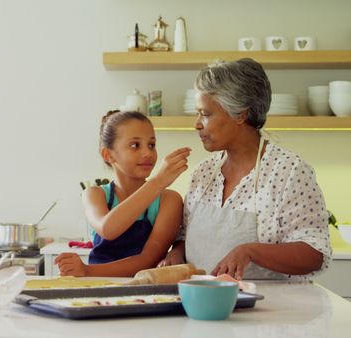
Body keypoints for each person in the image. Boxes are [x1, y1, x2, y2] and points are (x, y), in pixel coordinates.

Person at [159, 58, 331, 280]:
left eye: (206, 114)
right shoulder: (203, 173)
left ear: (240, 114)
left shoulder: (290, 172)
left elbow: (314, 254)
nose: (197, 124)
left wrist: (250, 251)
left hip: (272, 310)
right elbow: (186, 236)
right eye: (197, 113)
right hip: (203, 306)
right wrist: (177, 253)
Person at [56, 110, 191, 277]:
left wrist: (88, 270)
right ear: (108, 155)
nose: (148, 153)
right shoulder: (94, 194)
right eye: (135, 145)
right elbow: (108, 229)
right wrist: (158, 181)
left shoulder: (169, 200)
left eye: (151, 145)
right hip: (97, 287)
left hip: (145, 292)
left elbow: (148, 259)